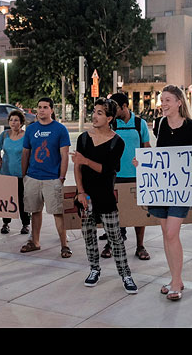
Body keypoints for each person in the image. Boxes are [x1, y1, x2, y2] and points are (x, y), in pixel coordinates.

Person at [135, 85, 192, 301]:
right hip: (162, 188)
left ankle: (176, 282)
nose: (162, 104)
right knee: (167, 235)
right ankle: (176, 279)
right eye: (161, 100)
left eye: (167, 100)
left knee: (172, 233)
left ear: (179, 102)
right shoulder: (161, 124)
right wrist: (144, 164)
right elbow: (160, 155)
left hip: (181, 190)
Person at [72, 98, 138, 294]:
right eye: (94, 111)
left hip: (106, 196)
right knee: (89, 236)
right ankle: (94, 269)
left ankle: (125, 274)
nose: (94, 116)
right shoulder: (83, 138)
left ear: (109, 118)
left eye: (100, 113)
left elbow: (108, 170)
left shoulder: (117, 142)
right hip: (86, 197)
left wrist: (85, 160)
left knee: (116, 238)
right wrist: (80, 192)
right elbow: (77, 167)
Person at [101, 92, 152, 261]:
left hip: (136, 175)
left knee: (139, 213)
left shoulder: (140, 123)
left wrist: (147, 167)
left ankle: (140, 246)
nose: (111, 111)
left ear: (124, 107)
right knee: (113, 213)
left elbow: (146, 146)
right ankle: (111, 243)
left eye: (114, 108)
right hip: (114, 175)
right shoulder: (111, 123)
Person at [20, 97, 72, 258]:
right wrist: (24, 176)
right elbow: (26, 153)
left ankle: (64, 245)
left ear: (51, 110)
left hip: (52, 178)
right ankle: (35, 242)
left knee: (57, 212)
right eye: (39, 107)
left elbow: (64, 156)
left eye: (45, 107)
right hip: (33, 177)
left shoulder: (60, 129)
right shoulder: (31, 129)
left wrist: (61, 178)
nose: (41, 110)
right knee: (35, 211)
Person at [0, 109, 30, 234]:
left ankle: (25, 224)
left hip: (21, 174)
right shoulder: (4, 135)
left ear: (21, 122)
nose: (13, 122)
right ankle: (5, 223)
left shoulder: (26, 136)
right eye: (11, 120)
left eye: (16, 120)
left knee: (22, 200)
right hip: (6, 173)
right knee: (6, 199)